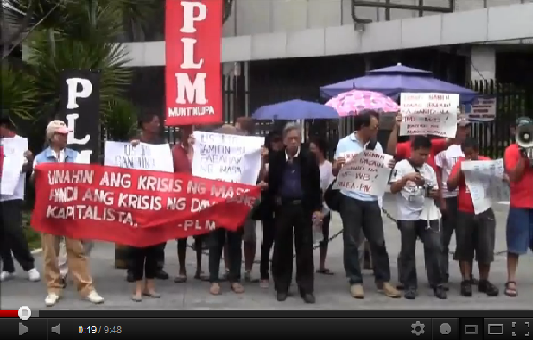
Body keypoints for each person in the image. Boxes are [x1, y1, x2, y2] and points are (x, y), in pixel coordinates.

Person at [33, 120, 104, 306]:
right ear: (52, 137)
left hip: (71, 211)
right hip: (49, 212)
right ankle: (53, 289)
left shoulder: (76, 155)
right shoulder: (40, 159)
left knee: (77, 250)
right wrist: (33, 172)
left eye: (66, 133)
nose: (65, 137)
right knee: (50, 252)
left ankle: (86, 288)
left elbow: (85, 179)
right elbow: (35, 184)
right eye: (61, 134)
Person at [333, 111, 400, 299]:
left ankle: (383, 281)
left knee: (378, 241)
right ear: (363, 127)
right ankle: (355, 280)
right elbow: (335, 170)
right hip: (351, 197)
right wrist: (337, 166)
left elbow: (378, 170)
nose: (376, 130)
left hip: (371, 199)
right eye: (374, 127)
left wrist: (388, 164)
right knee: (352, 241)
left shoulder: (376, 146)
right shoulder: (344, 143)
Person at [268, 122, 321, 303]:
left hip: (303, 208)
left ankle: (306, 288)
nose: (293, 142)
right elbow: (272, 185)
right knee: (282, 247)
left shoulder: (309, 158)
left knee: (304, 248)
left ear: (300, 140)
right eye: (289, 138)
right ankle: (281, 286)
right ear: (284, 141)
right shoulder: (276, 158)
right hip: (283, 207)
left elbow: (315, 186)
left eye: (296, 138)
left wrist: (317, 209)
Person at [389, 136, 447, 299]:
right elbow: (393, 189)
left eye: (426, 155)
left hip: (428, 214)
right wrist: (406, 178)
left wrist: (431, 191)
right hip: (407, 215)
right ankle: (410, 284)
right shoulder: (401, 166)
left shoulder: (429, 169)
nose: (424, 158)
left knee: (434, 247)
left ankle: (437, 283)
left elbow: (434, 192)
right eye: (421, 154)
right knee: (408, 250)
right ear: (412, 150)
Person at [447, 138, 499, 297]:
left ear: (477, 151)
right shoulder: (461, 164)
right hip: (465, 211)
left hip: (484, 210)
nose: (469, 157)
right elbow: (450, 185)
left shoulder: (487, 161)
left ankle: (484, 281)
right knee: (464, 248)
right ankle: (466, 280)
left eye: (471, 154)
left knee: (486, 247)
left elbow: (497, 183)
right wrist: (461, 172)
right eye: (466, 154)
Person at [126, 113, 169, 283]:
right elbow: (124, 163)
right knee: (135, 234)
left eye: (159, 121)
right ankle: (133, 268)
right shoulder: (134, 142)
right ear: (144, 124)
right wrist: (131, 148)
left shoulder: (161, 143)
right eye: (154, 121)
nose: (158, 124)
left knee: (158, 233)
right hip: (137, 196)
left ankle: (156, 266)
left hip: (156, 195)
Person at [0, 117, 41, 282]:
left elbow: (28, 168)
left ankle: (29, 266)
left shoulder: (19, 144)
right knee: (1, 233)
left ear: (4, 126)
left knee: (13, 230)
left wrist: (29, 159)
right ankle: (8, 267)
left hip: (12, 194)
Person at [207, 124, 246, 296]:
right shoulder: (211, 156)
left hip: (236, 206)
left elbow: (252, 174)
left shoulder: (243, 156)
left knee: (235, 244)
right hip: (216, 206)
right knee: (215, 243)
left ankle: (235, 278)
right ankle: (214, 279)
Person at [434, 120, 471, 289]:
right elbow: (438, 174)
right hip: (449, 198)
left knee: (464, 240)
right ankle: (442, 276)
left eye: (465, 128)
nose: (463, 131)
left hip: (465, 198)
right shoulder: (444, 150)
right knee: (443, 240)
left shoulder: (470, 149)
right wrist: (441, 200)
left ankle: (467, 277)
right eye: (460, 128)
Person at [172, 125, 208, 283]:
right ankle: (182, 269)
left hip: (199, 197)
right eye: (184, 131)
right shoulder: (175, 151)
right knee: (181, 236)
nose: (187, 134)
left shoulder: (202, 150)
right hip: (181, 198)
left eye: (190, 131)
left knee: (200, 235)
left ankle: (200, 268)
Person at [503, 117, 533, 297]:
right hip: (519, 204)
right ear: (514, 131)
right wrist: (524, 157)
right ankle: (511, 279)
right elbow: (513, 176)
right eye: (521, 129)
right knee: (515, 246)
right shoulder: (512, 150)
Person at [235, 117, 260, 283]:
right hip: (231, 196)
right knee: (230, 234)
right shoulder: (231, 146)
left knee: (249, 236)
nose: (235, 130)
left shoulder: (256, 148)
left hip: (249, 197)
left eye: (238, 127)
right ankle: (231, 268)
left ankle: (248, 270)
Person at [259, 131, 283, 288]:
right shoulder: (266, 160)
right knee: (267, 240)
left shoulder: (286, 159)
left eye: (279, 141)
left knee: (281, 239)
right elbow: (260, 177)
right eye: (274, 142)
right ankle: (264, 273)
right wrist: (263, 161)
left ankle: (279, 272)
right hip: (268, 203)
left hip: (282, 203)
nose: (277, 145)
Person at [309, 136, 334, 275]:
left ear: (321, 150)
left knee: (324, 234)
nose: (312, 151)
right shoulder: (307, 164)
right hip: (310, 204)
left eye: (314, 148)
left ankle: (322, 264)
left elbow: (331, 186)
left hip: (324, 205)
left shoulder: (328, 166)